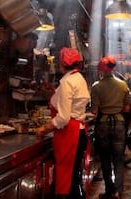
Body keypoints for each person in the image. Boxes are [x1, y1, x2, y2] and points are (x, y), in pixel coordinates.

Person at [36, 47, 90, 199]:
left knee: (66, 176)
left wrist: (44, 128)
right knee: (73, 176)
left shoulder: (67, 82)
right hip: (77, 131)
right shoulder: (79, 78)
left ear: (61, 64)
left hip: (68, 133)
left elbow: (63, 117)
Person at [90, 56, 131, 199]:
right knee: (118, 159)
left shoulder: (96, 87)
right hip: (119, 123)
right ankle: (118, 191)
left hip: (103, 124)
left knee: (105, 158)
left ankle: (109, 189)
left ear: (101, 70)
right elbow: (126, 108)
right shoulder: (123, 85)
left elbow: (94, 111)